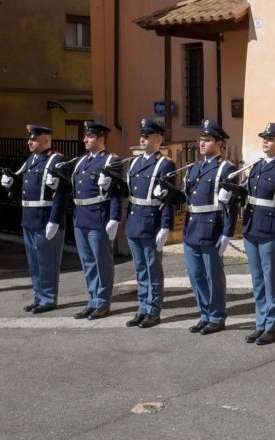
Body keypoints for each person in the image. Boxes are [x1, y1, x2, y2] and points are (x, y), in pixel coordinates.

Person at [158, 118, 235, 335]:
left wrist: (227, 233)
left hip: (211, 228)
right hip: (191, 228)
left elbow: (231, 204)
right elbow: (183, 194)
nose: (201, 143)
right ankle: (205, 314)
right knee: (196, 275)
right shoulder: (195, 168)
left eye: (207, 140)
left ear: (219, 143)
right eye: (201, 139)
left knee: (213, 276)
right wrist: (167, 192)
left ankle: (217, 316)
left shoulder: (225, 169)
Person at [0, 125, 67, 313]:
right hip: (29, 218)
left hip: (45, 219)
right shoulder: (31, 160)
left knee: (47, 262)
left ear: (46, 140)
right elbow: (24, 188)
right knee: (35, 263)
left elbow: (62, 193)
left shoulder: (55, 160)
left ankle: (48, 299)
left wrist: (54, 220)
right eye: (30, 139)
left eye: (34, 139)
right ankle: (39, 297)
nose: (29, 142)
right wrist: (10, 184)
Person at [241, 123, 275, 345]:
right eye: (264, 137)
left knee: (271, 280)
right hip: (251, 228)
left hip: (272, 230)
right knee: (257, 280)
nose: (265, 141)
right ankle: (260, 323)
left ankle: (272, 326)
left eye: (271, 138)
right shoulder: (256, 166)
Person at [123, 117, 176, 328]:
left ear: (158, 139)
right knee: (140, 268)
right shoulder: (135, 162)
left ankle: (153, 309)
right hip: (134, 221)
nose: (142, 139)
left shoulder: (165, 164)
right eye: (141, 135)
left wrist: (165, 226)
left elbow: (168, 199)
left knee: (152, 268)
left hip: (151, 223)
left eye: (147, 136)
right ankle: (142, 308)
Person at [69, 121, 123, 320]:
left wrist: (114, 218)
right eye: (85, 136)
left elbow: (116, 192)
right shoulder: (81, 162)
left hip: (99, 217)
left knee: (102, 263)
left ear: (101, 139)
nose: (85, 139)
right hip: (81, 217)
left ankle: (102, 303)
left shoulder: (110, 161)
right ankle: (92, 300)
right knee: (88, 264)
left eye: (90, 136)